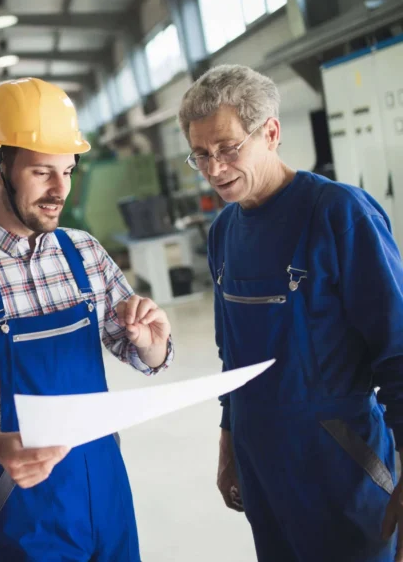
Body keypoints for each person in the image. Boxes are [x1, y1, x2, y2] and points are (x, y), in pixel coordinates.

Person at [0, 78, 174, 561]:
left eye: (68, 171)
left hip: (105, 481)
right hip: (22, 500)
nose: (59, 190)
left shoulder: (85, 252)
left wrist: (151, 339)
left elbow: (141, 353)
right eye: (41, 172)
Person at [178, 64, 403, 561]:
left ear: (271, 133)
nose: (214, 169)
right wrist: (229, 443)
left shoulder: (340, 214)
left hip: (341, 465)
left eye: (227, 148)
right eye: (201, 155)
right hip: (263, 468)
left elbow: (398, 351)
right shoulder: (223, 233)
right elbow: (232, 356)